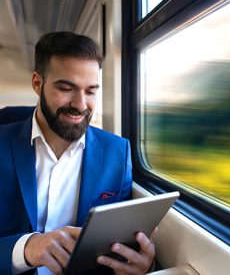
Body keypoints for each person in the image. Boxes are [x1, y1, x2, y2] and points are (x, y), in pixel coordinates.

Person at [0, 31, 155, 274]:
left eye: (91, 91)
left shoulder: (117, 152)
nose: (81, 105)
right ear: (37, 84)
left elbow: (118, 244)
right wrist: (27, 248)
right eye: (66, 88)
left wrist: (140, 266)